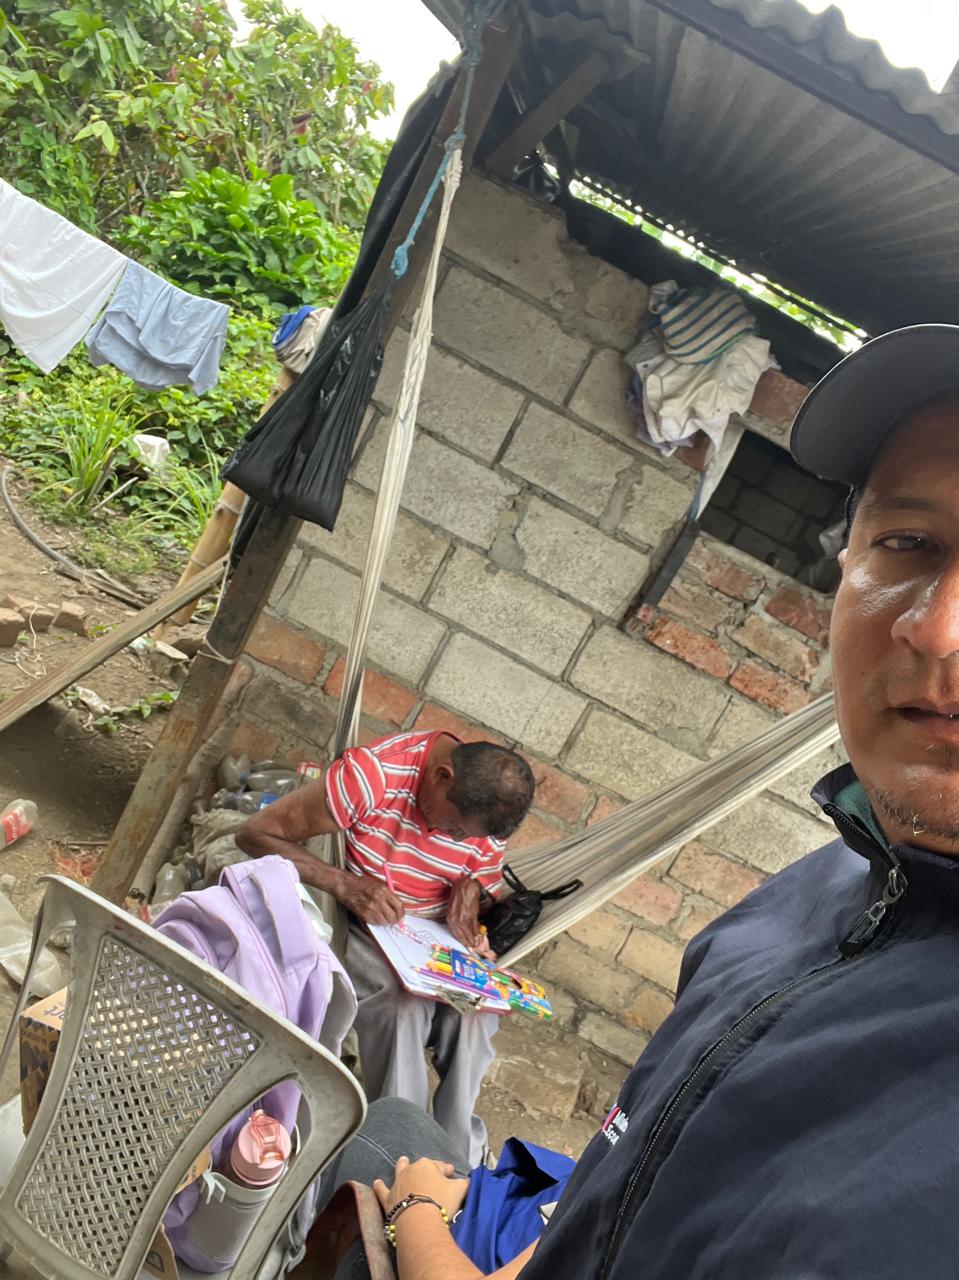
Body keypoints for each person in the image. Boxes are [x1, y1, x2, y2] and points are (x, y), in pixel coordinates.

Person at [314, 324, 959, 1280]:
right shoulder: (800, 901)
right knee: (399, 1045)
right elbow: (625, 1206)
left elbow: (475, 881)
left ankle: (447, 1151)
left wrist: (414, 1214)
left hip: (426, 1000)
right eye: (907, 542)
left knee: (434, 1074)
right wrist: (348, 886)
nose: (935, 629)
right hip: (370, 937)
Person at [236, 730, 535, 1163]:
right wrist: (345, 884)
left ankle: (457, 1159)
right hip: (363, 924)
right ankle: (402, 1157)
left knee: (476, 1016)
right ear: (441, 777)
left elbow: (480, 875)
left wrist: (471, 893)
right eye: (454, 828)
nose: (457, 840)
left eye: (466, 837)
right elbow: (255, 834)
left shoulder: (486, 810)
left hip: (433, 940)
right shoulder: (372, 775)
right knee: (401, 1009)